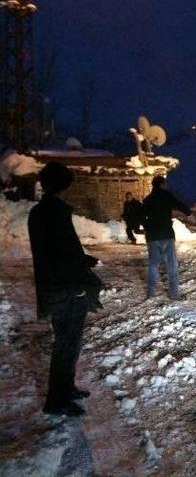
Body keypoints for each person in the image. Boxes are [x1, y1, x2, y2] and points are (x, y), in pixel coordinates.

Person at [28, 162, 103, 417]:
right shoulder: (55, 213)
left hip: (54, 286)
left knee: (68, 342)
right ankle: (56, 401)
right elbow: (62, 256)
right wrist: (79, 287)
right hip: (65, 290)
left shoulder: (39, 211)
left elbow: (58, 252)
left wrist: (83, 260)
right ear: (65, 184)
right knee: (66, 344)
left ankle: (66, 388)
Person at [141, 175, 194, 300]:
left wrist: (148, 228)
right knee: (171, 264)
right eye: (165, 183)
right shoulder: (167, 195)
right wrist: (189, 213)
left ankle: (151, 292)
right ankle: (174, 294)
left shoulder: (147, 199)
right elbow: (179, 204)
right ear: (161, 184)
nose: (166, 185)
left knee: (153, 264)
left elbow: (141, 216)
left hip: (152, 236)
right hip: (166, 234)